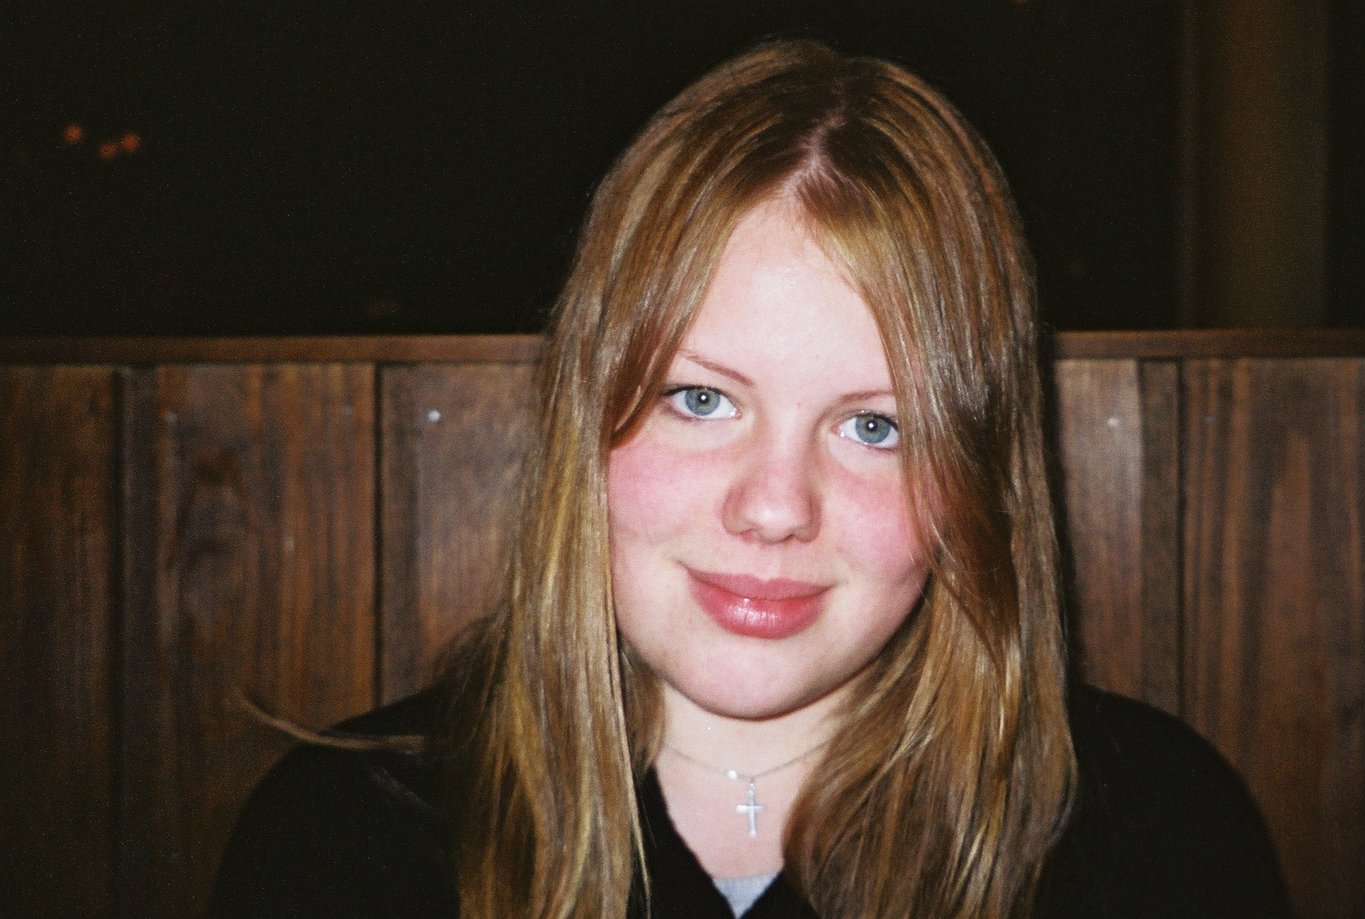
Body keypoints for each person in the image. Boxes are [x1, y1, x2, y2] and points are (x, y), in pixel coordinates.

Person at [212, 40, 1288, 918]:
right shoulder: (345, 843)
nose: (774, 506)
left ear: (976, 474)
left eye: (875, 425)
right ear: (584, 418)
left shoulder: (1156, 840)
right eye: (701, 400)